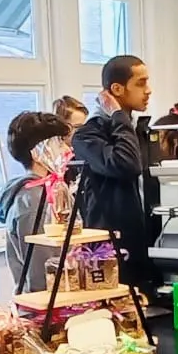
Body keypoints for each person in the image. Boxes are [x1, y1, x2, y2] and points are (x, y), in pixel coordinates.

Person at [71, 54, 157, 292]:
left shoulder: (138, 131)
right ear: (117, 89)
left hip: (145, 246)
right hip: (111, 251)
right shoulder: (87, 135)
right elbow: (126, 165)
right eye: (140, 83)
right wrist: (118, 115)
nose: (148, 91)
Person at [0, 111, 73, 293]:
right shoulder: (33, 200)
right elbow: (42, 271)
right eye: (59, 142)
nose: (67, 150)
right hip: (47, 307)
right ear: (37, 152)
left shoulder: (52, 191)